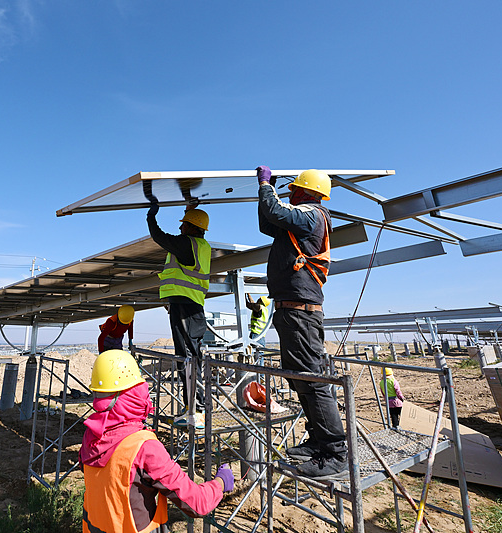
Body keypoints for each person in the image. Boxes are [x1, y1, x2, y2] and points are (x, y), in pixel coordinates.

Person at [256, 165, 348, 481]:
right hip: (292, 311)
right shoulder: (297, 222)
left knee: (312, 379)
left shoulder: (312, 213)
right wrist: (266, 192)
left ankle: (334, 451)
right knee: (301, 379)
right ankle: (318, 440)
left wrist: (266, 186)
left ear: (307, 191)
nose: (290, 194)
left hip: (301, 313)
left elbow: (273, 209)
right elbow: (268, 220)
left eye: (294, 189)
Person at [80, 349, 234, 533]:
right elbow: (197, 504)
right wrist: (220, 483)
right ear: (132, 394)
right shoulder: (143, 447)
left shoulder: (92, 436)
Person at [147, 200, 211, 428]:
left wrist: (151, 216)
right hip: (190, 306)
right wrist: (189, 210)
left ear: (193, 228)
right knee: (190, 358)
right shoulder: (199, 245)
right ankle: (194, 408)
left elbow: (159, 236)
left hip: (186, 307)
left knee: (188, 359)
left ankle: (197, 411)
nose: (180, 227)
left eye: (184, 224)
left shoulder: (187, 245)